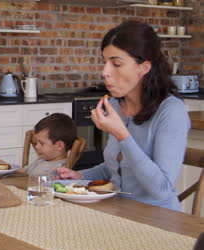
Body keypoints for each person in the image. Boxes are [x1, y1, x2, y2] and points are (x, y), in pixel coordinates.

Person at [55, 20, 190, 211]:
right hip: (118, 212)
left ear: (144, 68)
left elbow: (162, 189)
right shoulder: (115, 105)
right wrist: (80, 176)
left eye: (116, 64)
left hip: (159, 221)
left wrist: (122, 135)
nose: (105, 72)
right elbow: (115, 168)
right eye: (105, 62)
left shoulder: (171, 111)